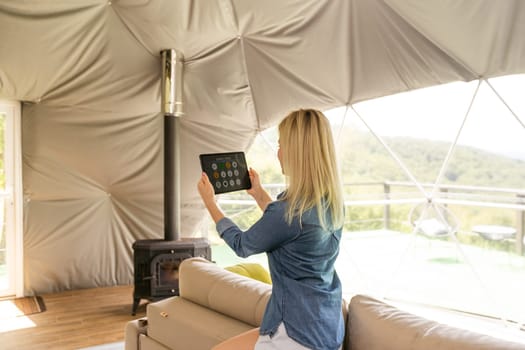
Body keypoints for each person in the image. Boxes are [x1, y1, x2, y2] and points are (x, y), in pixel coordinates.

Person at [197, 108, 345, 350]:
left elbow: (242, 245)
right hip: (327, 326)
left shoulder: (288, 213)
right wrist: (259, 194)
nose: (279, 152)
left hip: (295, 335)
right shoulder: (331, 204)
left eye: (282, 144)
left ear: (296, 153)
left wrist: (210, 203)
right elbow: (288, 229)